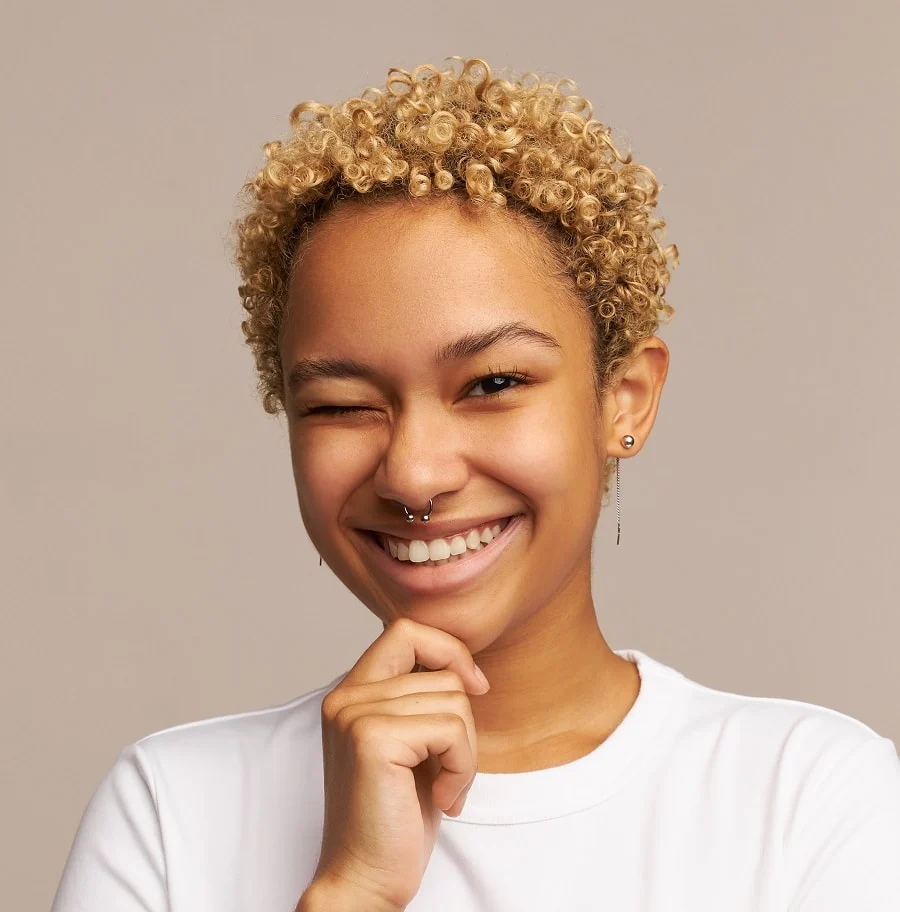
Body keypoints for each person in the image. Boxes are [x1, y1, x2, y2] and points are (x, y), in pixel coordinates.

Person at [51, 56, 900, 912]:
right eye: (343, 404)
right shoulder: (170, 813)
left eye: (493, 384)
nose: (414, 474)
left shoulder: (814, 801)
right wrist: (354, 891)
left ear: (623, 400)